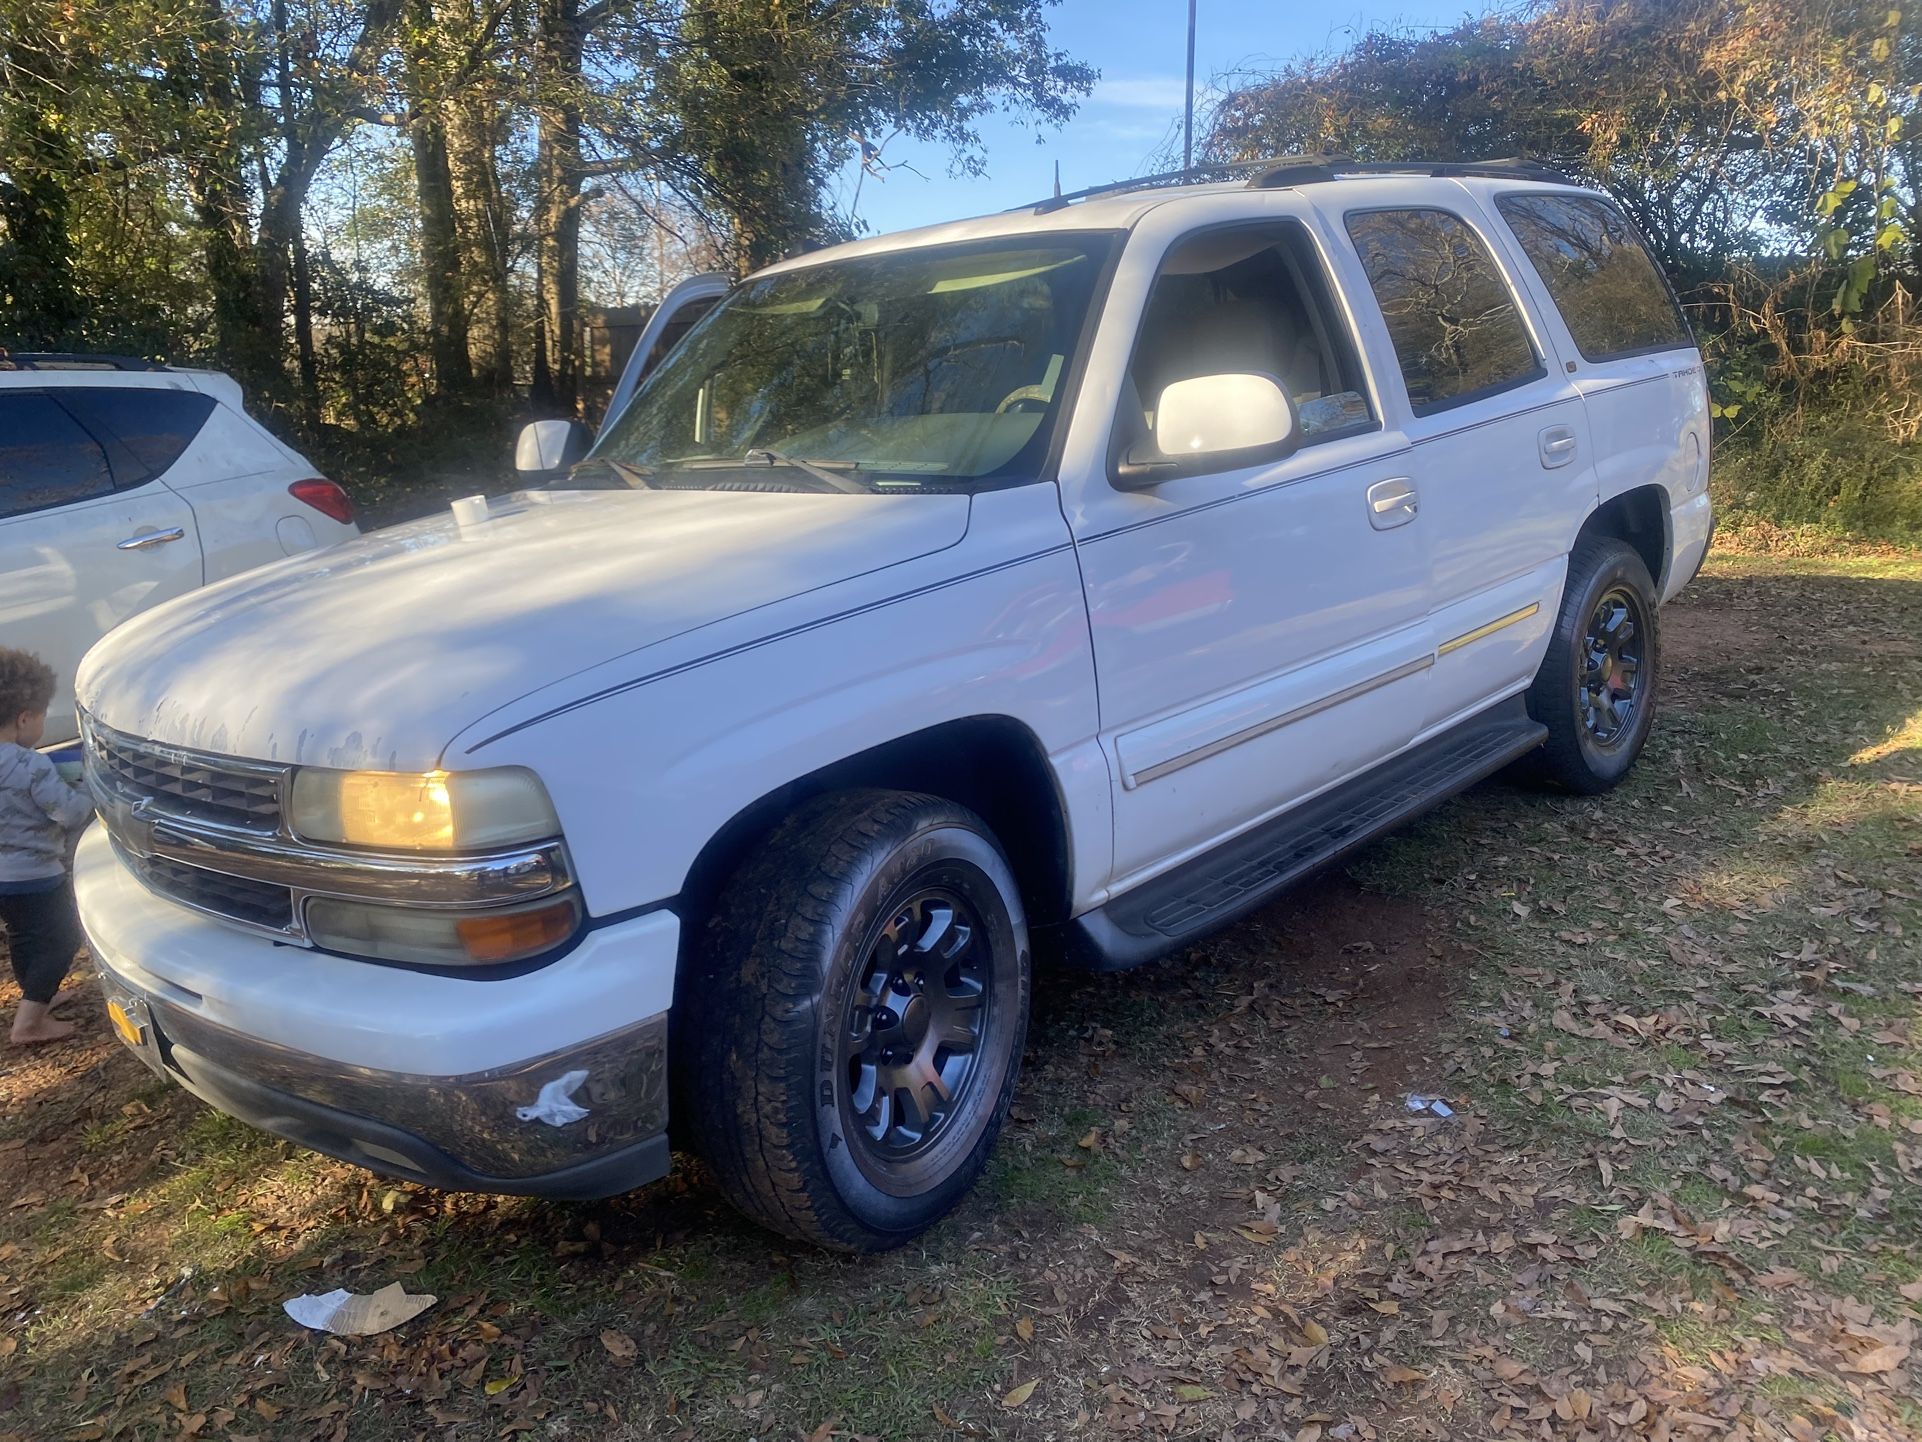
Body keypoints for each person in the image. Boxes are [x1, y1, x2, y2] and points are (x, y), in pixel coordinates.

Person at [0, 650, 94, 1045]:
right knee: (62, 938)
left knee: (23, 935)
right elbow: (69, 813)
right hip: (35, 874)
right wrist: (89, 790)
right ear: (24, 718)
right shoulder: (31, 766)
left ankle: (38, 995)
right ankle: (29, 1023)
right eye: (41, 716)